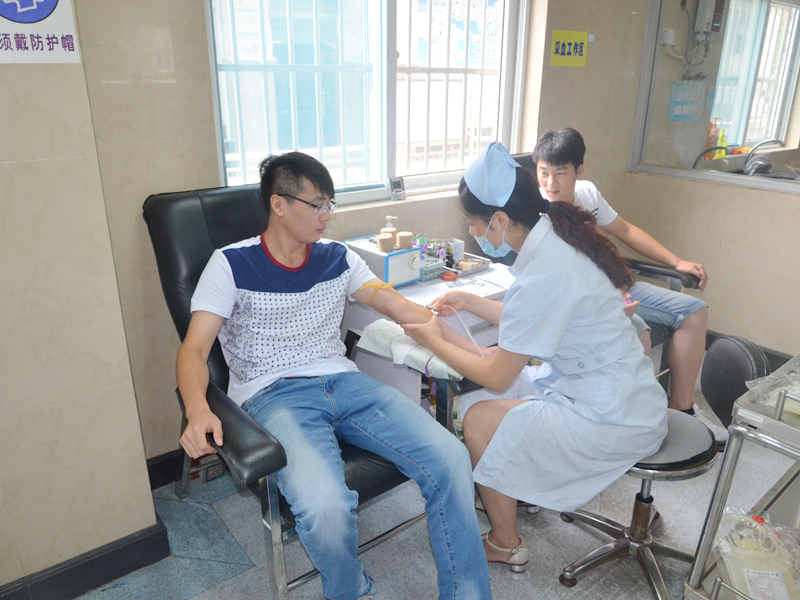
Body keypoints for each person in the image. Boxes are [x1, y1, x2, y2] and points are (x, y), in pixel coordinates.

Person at [176, 151, 492, 600]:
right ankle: (351, 589)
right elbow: (193, 349)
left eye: (330, 204)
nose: (327, 216)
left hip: (347, 383)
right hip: (274, 396)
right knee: (326, 509)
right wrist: (197, 410)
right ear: (279, 204)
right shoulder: (230, 264)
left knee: (451, 457)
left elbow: (400, 308)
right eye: (317, 205)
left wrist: (474, 351)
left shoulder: (338, 257)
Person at [401, 142, 669, 572]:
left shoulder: (544, 271)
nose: (472, 231)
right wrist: (469, 300)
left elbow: (498, 374)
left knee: (480, 417)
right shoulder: (556, 243)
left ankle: (505, 542)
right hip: (619, 391)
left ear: (500, 220)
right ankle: (516, 492)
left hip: (611, 415)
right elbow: (536, 318)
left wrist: (434, 339)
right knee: (482, 398)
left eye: (473, 223)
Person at [532, 128, 726, 444]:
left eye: (560, 173)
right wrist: (609, 298)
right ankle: (636, 423)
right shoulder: (534, 211)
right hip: (587, 299)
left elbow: (625, 230)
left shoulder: (587, 195)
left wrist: (677, 262)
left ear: (579, 171)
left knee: (693, 311)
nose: (551, 183)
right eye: (544, 173)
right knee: (637, 330)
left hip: (616, 288)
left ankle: (682, 409)